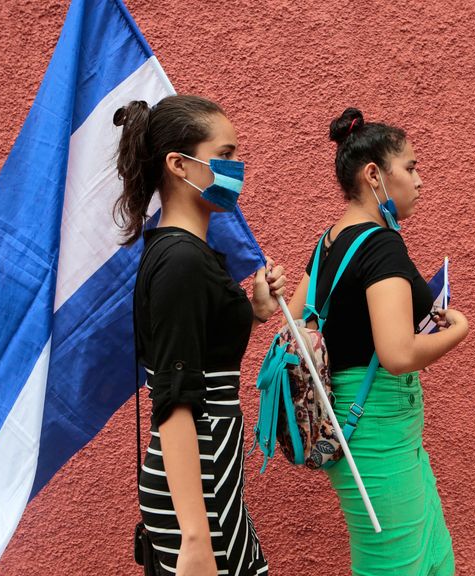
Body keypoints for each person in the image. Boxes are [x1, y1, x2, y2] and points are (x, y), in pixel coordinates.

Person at [286, 107, 470, 575]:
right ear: (374, 175)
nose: (420, 180)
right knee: (398, 566)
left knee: (431, 556)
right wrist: (459, 330)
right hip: (374, 425)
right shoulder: (382, 245)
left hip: (366, 423)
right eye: (410, 167)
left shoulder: (328, 241)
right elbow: (397, 354)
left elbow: (294, 318)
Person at [114, 94, 285, 576]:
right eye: (225, 155)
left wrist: (253, 313)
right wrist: (194, 537)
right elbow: (175, 397)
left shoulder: (189, 254)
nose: (237, 167)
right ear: (178, 164)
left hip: (211, 472)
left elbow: (202, 355)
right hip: (197, 484)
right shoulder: (182, 262)